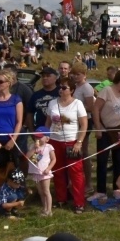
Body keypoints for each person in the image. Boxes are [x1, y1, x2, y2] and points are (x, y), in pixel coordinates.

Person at [45, 76, 87, 214]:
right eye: (60, 87)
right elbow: (48, 123)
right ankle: (61, 199)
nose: (61, 90)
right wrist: (45, 137)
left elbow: (84, 124)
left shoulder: (78, 104)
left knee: (76, 173)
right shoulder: (52, 103)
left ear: (72, 90)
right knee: (57, 171)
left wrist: (79, 142)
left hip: (72, 142)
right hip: (54, 141)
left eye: (64, 87)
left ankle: (79, 203)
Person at [92, 70, 120, 200]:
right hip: (105, 131)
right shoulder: (107, 91)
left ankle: (117, 188)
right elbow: (95, 108)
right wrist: (98, 128)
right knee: (102, 161)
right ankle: (101, 190)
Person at [0, 70, 23, 173]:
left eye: (0, 81)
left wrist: (13, 140)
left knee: (14, 168)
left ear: (8, 83)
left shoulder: (16, 99)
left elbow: (19, 121)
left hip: (11, 139)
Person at [70, 63, 95, 190]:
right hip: (75, 121)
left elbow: (90, 107)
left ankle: (88, 183)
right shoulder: (75, 87)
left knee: (84, 152)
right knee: (75, 151)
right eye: (74, 74)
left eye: (78, 74)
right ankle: (75, 180)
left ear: (84, 75)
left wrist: (73, 107)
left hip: (85, 120)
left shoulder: (87, 88)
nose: (75, 76)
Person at [26, 127, 55, 216]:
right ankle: (44, 208)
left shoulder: (49, 147)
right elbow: (27, 157)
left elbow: (54, 159)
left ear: (47, 138)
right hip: (36, 173)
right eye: (36, 137)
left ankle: (49, 210)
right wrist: (34, 149)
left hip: (45, 173)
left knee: (46, 191)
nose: (37, 139)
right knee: (41, 192)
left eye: (40, 137)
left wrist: (48, 169)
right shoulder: (32, 146)